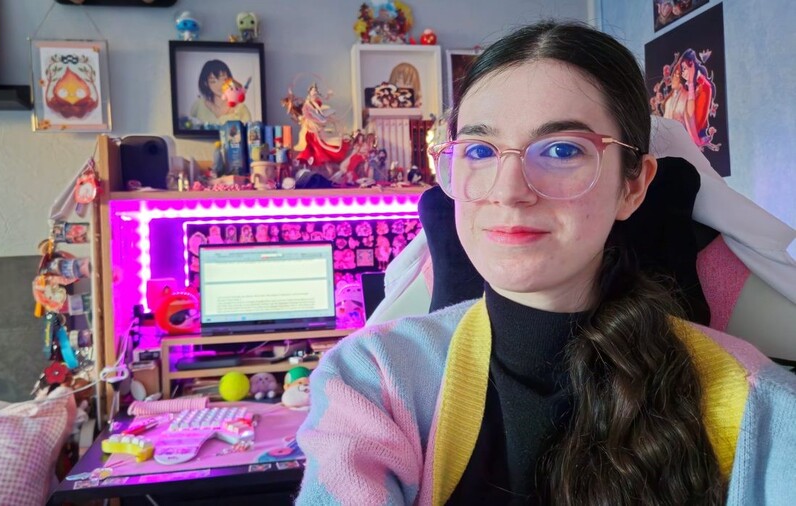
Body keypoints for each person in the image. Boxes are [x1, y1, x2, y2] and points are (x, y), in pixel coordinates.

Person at [295, 21, 796, 505]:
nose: (508, 192)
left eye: (560, 149)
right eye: (480, 149)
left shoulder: (754, 407)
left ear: (633, 186)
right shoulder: (374, 380)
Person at [189, 59, 251, 128]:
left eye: (224, 79)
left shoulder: (240, 108)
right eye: (213, 81)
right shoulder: (199, 105)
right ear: (206, 83)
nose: (220, 85)